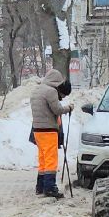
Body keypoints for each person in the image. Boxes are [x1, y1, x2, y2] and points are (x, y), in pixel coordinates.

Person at [29, 68, 68, 199]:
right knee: (51, 159)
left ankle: (40, 186)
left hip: (37, 130)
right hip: (48, 130)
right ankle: (50, 188)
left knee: (43, 159)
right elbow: (57, 109)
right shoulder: (50, 91)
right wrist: (69, 108)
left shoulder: (37, 90)